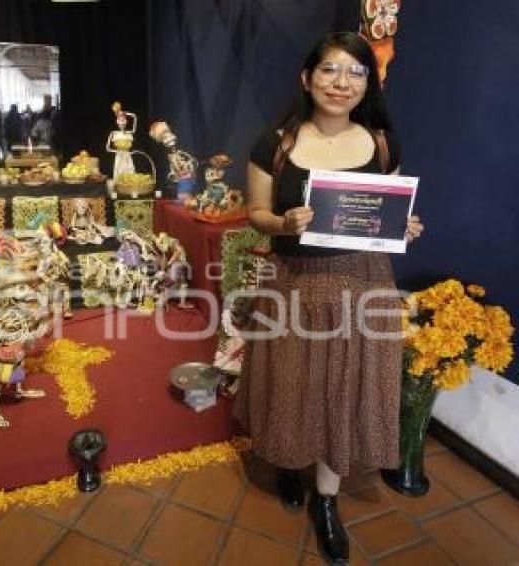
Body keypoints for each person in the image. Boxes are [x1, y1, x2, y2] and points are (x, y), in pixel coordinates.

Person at [233, 31, 424, 562]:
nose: (342, 83)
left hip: (364, 283)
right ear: (307, 78)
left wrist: (403, 227)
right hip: (295, 279)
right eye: (330, 70)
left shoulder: (383, 144)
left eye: (355, 72)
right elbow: (256, 214)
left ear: (368, 82)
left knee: (343, 386)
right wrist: (283, 221)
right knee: (294, 381)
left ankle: (327, 499)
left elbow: (385, 214)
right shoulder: (276, 144)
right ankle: (289, 465)